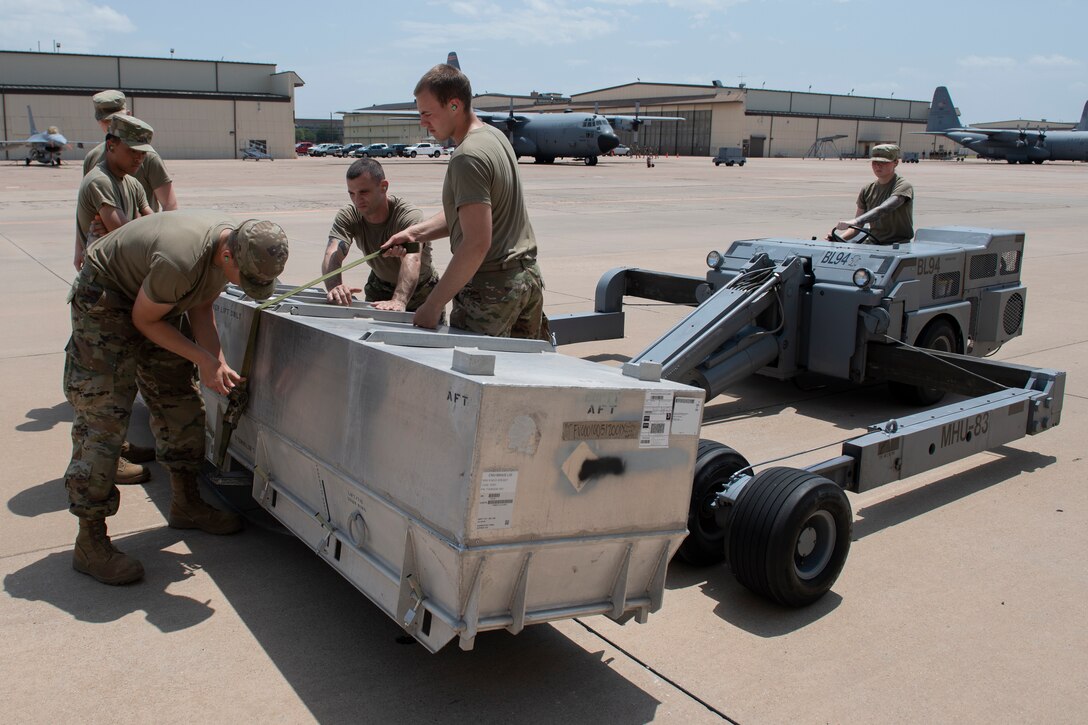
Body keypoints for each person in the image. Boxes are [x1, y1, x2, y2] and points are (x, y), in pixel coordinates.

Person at [64, 212, 289, 584]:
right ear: (230, 256)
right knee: (104, 417)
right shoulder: (180, 258)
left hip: (155, 300)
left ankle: (186, 502)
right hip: (107, 301)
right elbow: (144, 320)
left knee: (179, 401)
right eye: (247, 280)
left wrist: (215, 362)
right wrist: (201, 358)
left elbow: (202, 306)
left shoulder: (228, 251)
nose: (247, 286)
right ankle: (90, 541)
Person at [381, 64, 549, 340]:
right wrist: (415, 233)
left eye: (427, 113)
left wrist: (433, 304)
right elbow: (473, 214)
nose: (423, 122)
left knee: (475, 379)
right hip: (526, 280)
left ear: (455, 105)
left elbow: (476, 243)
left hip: (491, 291)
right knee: (519, 377)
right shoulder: (494, 138)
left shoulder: (466, 157)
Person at [322, 158, 438, 311]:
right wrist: (335, 288)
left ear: (383, 187)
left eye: (364, 192)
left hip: (421, 289)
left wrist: (399, 300)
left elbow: (413, 258)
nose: (357, 200)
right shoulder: (349, 215)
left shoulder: (408, 216)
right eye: (352, 193)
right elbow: (333, 252)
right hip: (379, 285)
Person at [83, 90, 177, 213]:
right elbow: (89, 203)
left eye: (118, 120)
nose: (113, 126)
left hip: (143, 230)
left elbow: (170, 206)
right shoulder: (92, 158)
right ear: (99, 121)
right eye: (108, 121)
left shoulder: (148, 157)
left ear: (129, 114)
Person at [827, 144, 914, 245]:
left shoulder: (903, 186)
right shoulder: (867, 189)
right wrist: (838, 238)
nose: (878, 166)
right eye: (875, 162)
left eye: (884, 162)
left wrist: (855, 221)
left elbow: (883, 209)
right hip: (873, 242)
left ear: (895, 163)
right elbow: (857, 228)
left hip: (898, 246)